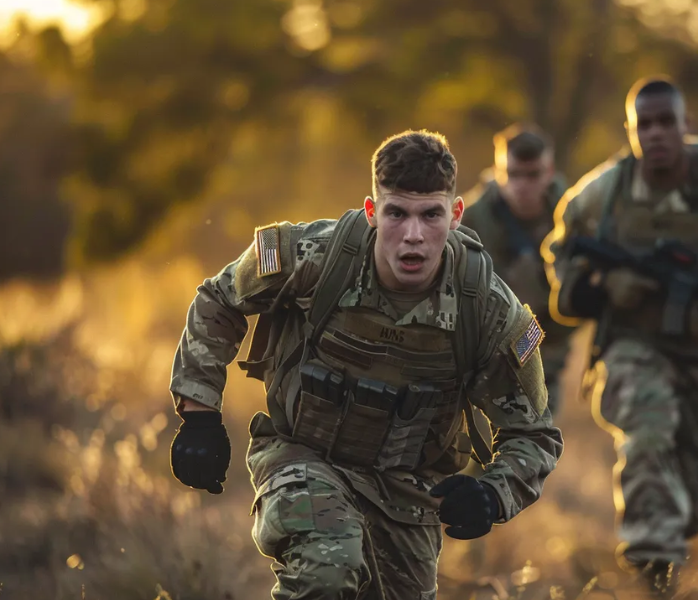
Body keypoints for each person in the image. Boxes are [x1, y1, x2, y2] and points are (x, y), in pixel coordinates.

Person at [167, 130, 564, 599]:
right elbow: (219, 299)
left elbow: (534, 434)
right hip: (303, 456)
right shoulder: (316, 255)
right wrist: (200, 415)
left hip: (407, 492)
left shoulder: (490, 309)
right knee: (326, 573)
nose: (413, 235)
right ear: (373, 212)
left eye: (430, 214)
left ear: (455, 215)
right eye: (397, 213)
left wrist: (493, 494)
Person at [544, 77, 698, 596]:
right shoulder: (605, 192)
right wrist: (604, 287)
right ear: (631, 131)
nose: (656, 134)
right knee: (649, 430)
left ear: (686, 126)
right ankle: (653, 566)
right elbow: (562, 249)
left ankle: (670, 532)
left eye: (667, 123)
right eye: (645, 125)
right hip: (633, 347)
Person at [461, 123, 577, 417]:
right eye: (512, 174)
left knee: (534, 448)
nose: (522, 185)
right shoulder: (470, 220)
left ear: (549, 173)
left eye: (533, 174)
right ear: (497, 171)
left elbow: (584, 303)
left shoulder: (573, 217)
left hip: (544, 352)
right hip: (478, 356)